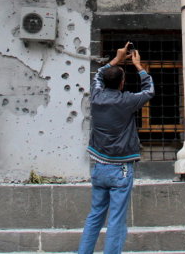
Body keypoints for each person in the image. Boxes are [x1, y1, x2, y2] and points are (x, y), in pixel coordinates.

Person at [78, 42, 154, 254]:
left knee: (95, 215)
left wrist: (116, 59)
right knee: (116, 220)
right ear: (122, 83)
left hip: (99, 167)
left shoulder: (96, 97)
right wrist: (139, 66)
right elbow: (149, 91)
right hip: (120, 168)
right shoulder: (127, 101)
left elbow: (98, 75)